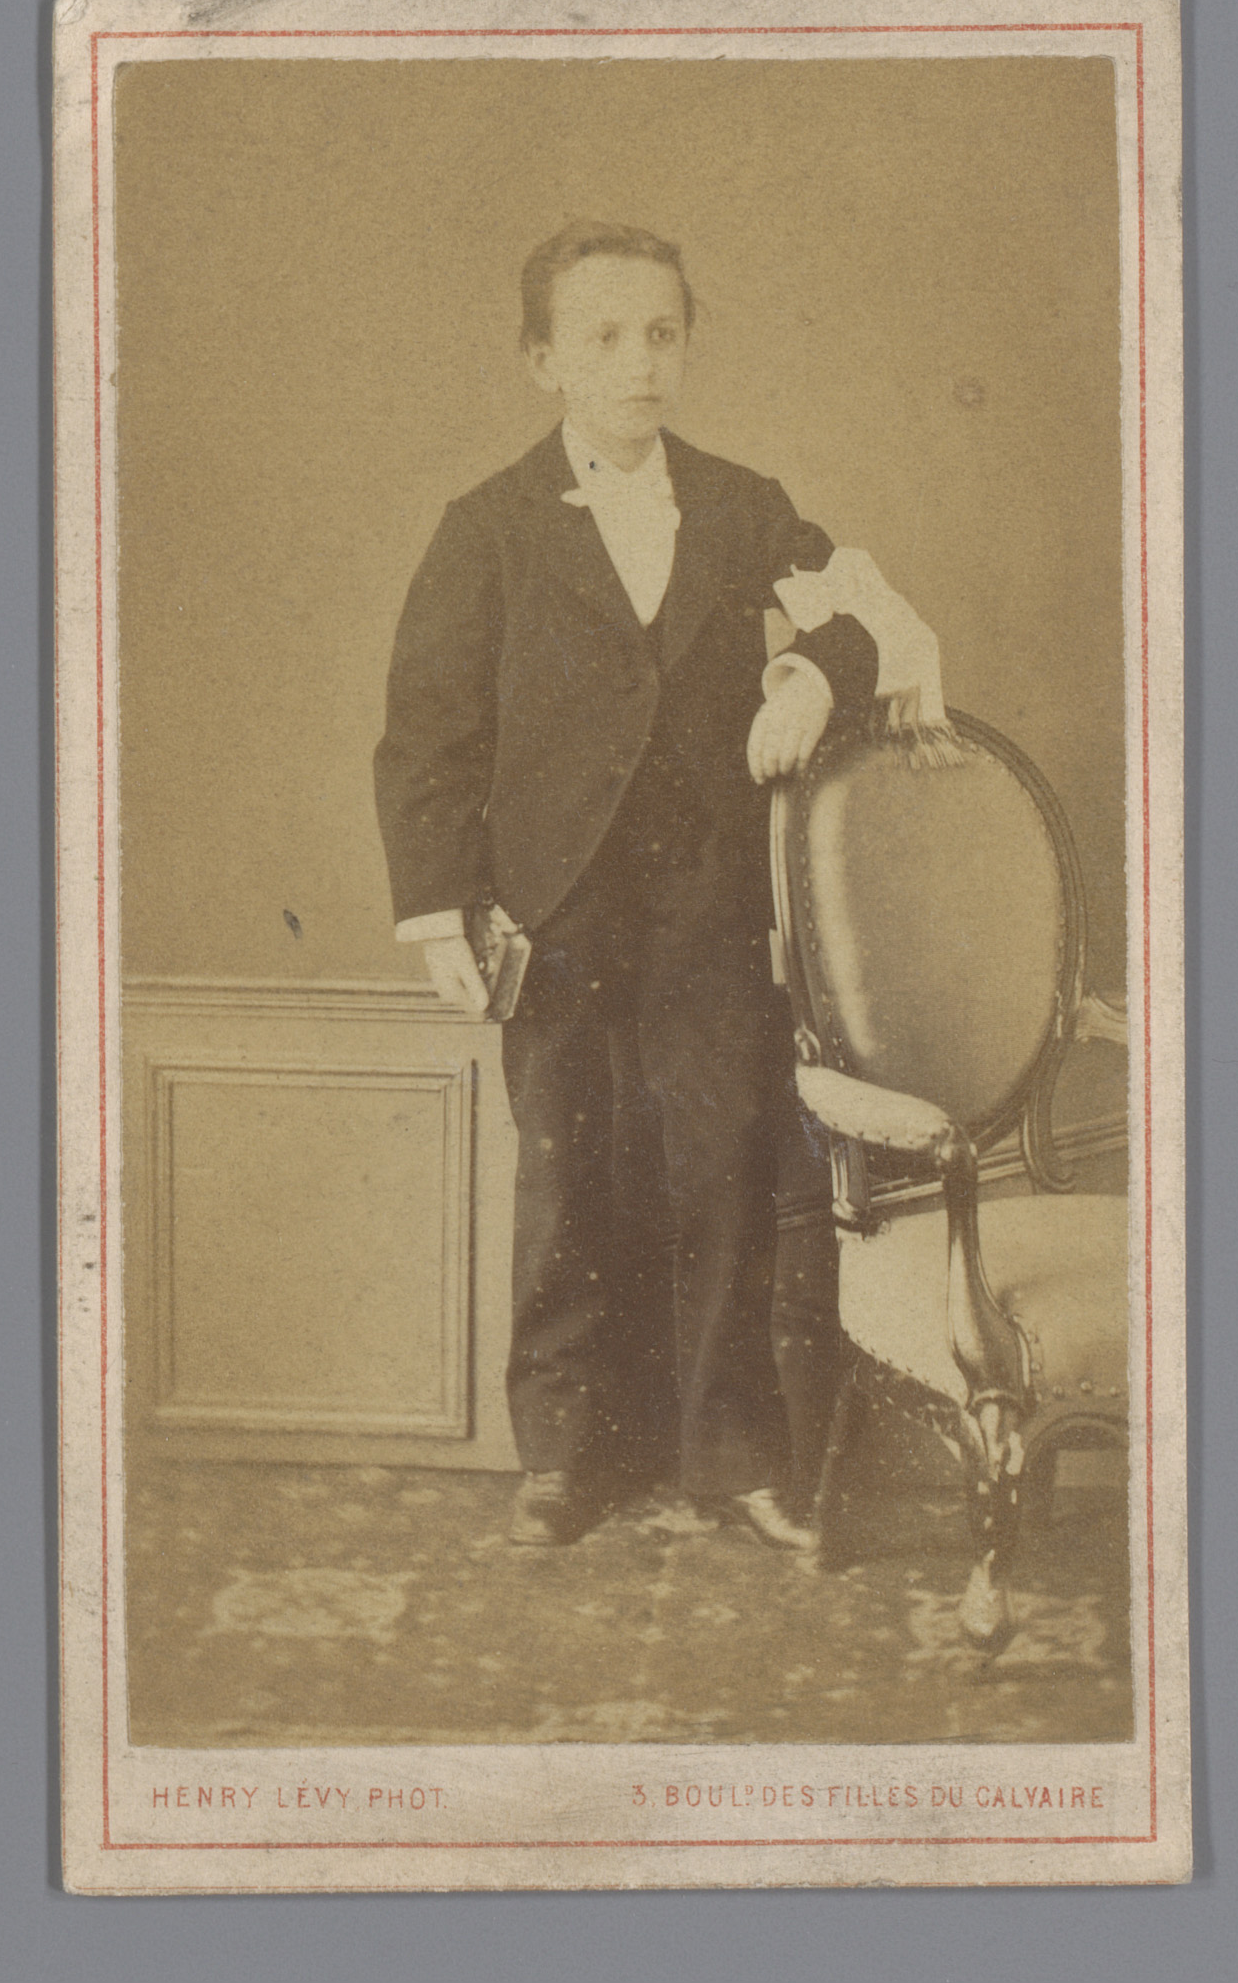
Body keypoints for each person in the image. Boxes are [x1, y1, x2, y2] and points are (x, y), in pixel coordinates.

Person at [374, 220, 936, 1549]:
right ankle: (566, 1457)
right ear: (543, 361)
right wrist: (441, 911)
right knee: (566, 1175)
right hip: (552, 908)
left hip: (708, 906)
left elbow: (867, 620)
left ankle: (732, 1455)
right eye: (606, 337)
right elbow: (426, 738)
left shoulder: (742, 505)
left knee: (723, 1167)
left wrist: (805, 678)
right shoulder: (487, 526)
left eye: (663, 334)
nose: (640, 363)